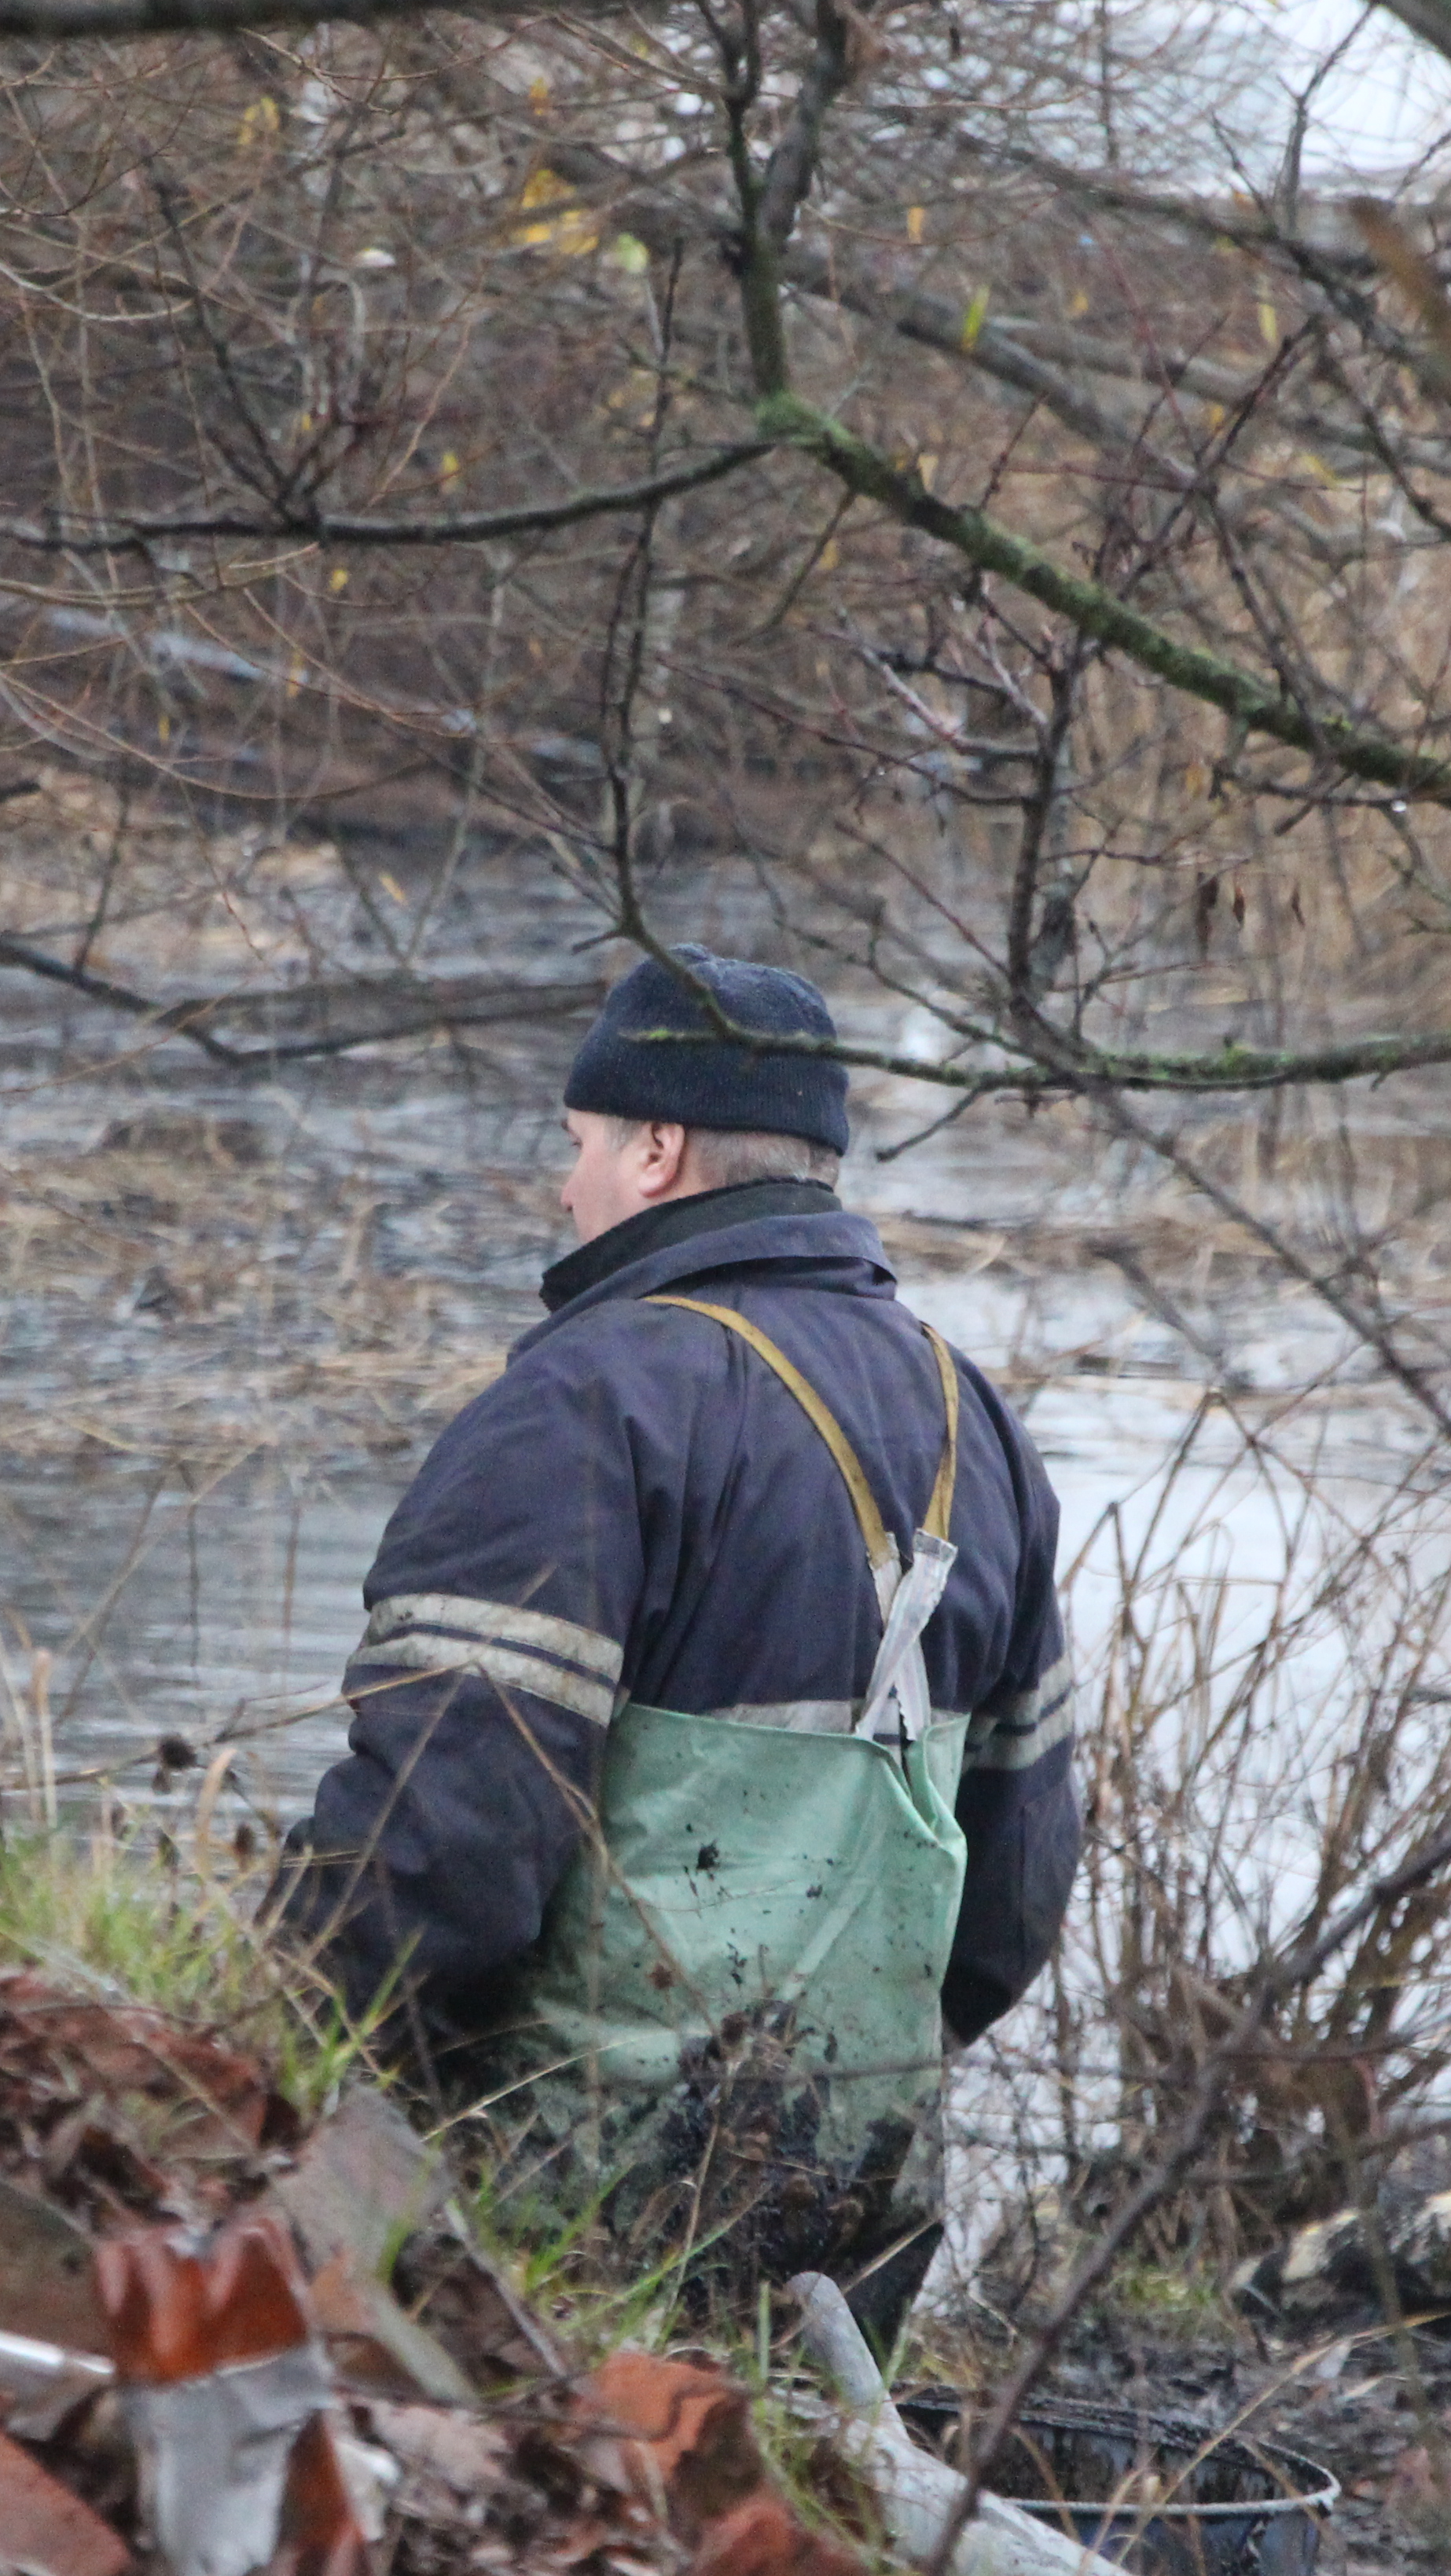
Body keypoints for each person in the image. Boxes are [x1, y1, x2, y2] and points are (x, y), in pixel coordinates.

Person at [270, 948, 1077, 2336]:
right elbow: (1011, 1902)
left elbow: (437, 1852)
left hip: (558, 2214)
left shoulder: (585, 1404)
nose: (562, 1184)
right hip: (860, 2217)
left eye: (577, 1144)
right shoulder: (977, 1422)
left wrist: (266, 2047)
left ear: (654, 1149)